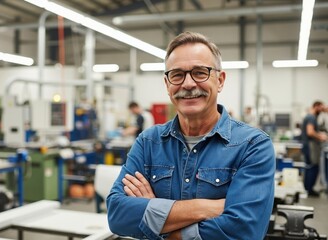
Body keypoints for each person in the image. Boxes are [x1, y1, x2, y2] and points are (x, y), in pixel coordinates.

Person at [106, 32, 276, 240]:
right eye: (177, 74)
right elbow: (117, 215)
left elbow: (244, 232)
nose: (187, 84)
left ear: (220, 80)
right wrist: (204, 208)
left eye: (199, 72)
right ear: (167, 84)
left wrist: (158, 225)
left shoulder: (252, 146)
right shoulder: (148, 142)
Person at [301, 101, 327, 197]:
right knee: (313, 167)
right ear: (316, 106)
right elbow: (310, 132)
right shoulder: (311, 117)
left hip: (308, 145)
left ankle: (308, 188)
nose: (322, 110)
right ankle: (309, 189)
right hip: (311, 146)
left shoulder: (309, 116)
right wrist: (321, 137)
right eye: (321, 107)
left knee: (309, 167)